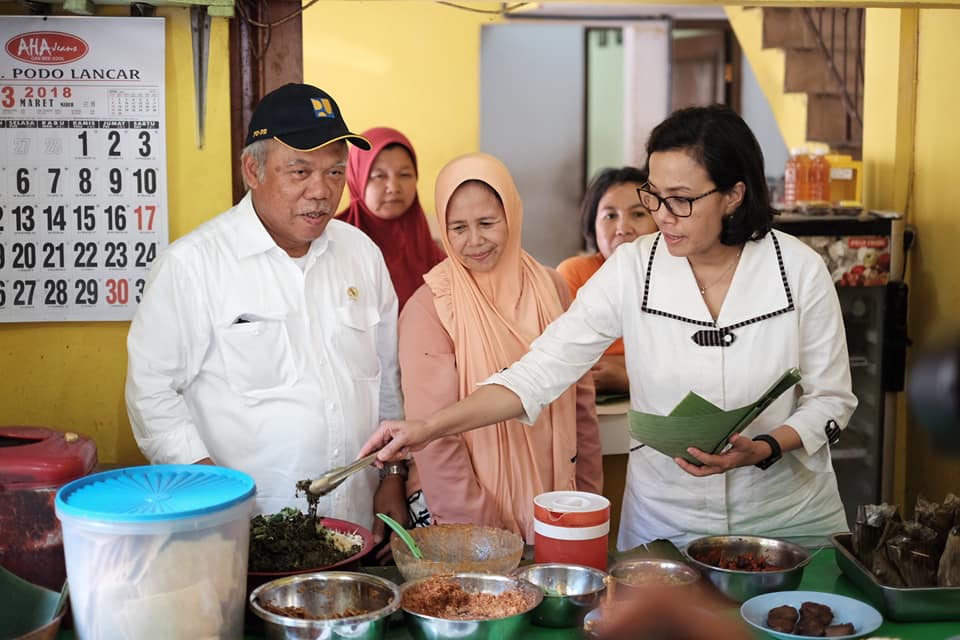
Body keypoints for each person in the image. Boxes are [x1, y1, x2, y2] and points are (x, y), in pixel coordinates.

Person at [360, 104, 857, 550]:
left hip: (787, 519)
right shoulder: (633, 267)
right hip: (668, 523)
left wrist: (768, 445)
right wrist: (426, 428)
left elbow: (832, 399)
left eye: (681, 199)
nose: (661, 217)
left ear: (733, 195)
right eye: (655, 196)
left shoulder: (798, 270)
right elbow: (540, 372)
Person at [125, 83, 407, 537]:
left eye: (335, 173)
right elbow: (151, 395)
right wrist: (213, 496)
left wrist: (392, 478)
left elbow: (387, 379)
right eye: (299, 172)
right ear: (252, 170)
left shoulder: (361, 254)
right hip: (243, 530)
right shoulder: (193, 265)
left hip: (354, 523)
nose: (321, 191)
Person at [397, 152, 603, 542]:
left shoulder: (553, 288)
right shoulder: (430, 308)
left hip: (559, 500)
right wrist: (484, 530)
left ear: (513, 213)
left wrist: (585, 500)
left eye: (487, 223)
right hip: (469, 514)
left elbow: (581, 403)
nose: (474, 241)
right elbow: (434, 436)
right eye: (458, 227)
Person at [557, 166, 657, 394]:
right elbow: (567, 360)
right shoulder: (575, 273)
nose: (623, 228)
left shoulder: (680, 277)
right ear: (593, 224)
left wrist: (628, 376)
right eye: (610, 216)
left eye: (639, 214)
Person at [338, 126, 445, 309]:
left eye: (404, 175)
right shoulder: (330, 243)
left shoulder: (431, 252)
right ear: (357, 178)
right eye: (379, 176)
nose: (394, 187)